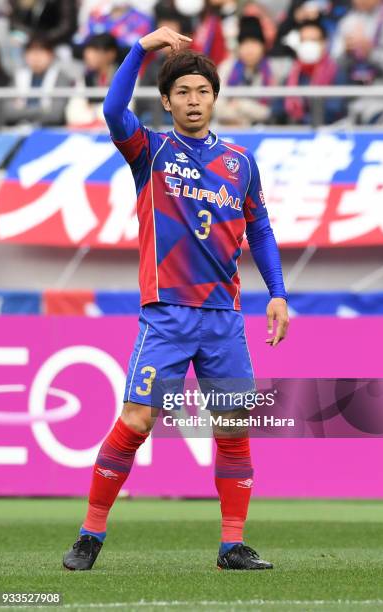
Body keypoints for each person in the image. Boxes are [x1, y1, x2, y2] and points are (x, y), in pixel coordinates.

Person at [62, 26, 289, 572]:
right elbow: (114, 110)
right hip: (166, 317)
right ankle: (91, 534)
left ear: (215, 97)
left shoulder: (240, 161)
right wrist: (141, 49)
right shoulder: (151, 150)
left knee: (233, 427)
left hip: (224, 320)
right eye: (183, 92)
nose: (193, 100)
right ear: (167, 100)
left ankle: (232, 545)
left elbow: (259, 231)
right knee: (138, 419)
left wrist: (278, 293)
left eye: (202, 91)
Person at [332, 0, 383, 122]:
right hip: (351, 102)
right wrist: (347, 53)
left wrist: (371, 53)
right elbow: (334, 64)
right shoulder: (347, 22)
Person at [274, 19, 347, 125]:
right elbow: (277, 108)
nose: (308, 45)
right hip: (292, 132)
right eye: (304, 41)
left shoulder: (337, 72)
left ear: (324, 43)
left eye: (313, 40)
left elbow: (333, 109)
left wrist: (301, 120)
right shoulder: (292, 74)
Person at [215, 15, 274, 126]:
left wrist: (242, 105)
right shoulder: (227, 67)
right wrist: (240, 117)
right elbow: (217, 106)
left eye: (254, 43)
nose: (249, 49)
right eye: (245, 44)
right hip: (228, 126)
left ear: (262, 46)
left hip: (261, 129)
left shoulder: (271, 71)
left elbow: (269, 111)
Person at [4, 35, 72, 126]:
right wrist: (43, 110)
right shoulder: (18, 76)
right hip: (19, 131)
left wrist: (22, 110)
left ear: (51, 55)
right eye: (32, 52)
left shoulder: (61, 78)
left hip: (50, 132)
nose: (36, 57)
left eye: (41, 52)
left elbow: (55, 114)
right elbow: (8, 112)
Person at [66, 33, 119, 127]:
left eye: (95, 51)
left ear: (111, 54)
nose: (88, 55)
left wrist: (93, 111)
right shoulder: (84, 78)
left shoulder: (124, 78)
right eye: (87, 51)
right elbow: (72, 113)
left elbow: (122, 113)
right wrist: (95, 120)